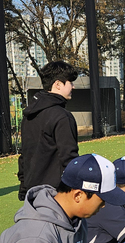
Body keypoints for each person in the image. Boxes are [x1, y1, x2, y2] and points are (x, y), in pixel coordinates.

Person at [17, 61, 80, 201]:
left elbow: (24, 156)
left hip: (32, 193)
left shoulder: (29, 115)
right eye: (70, 82)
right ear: (58, 84)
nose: (73, 86)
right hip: (55, 195)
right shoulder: (62, 117)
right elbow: (69, 158)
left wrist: (24, 188)